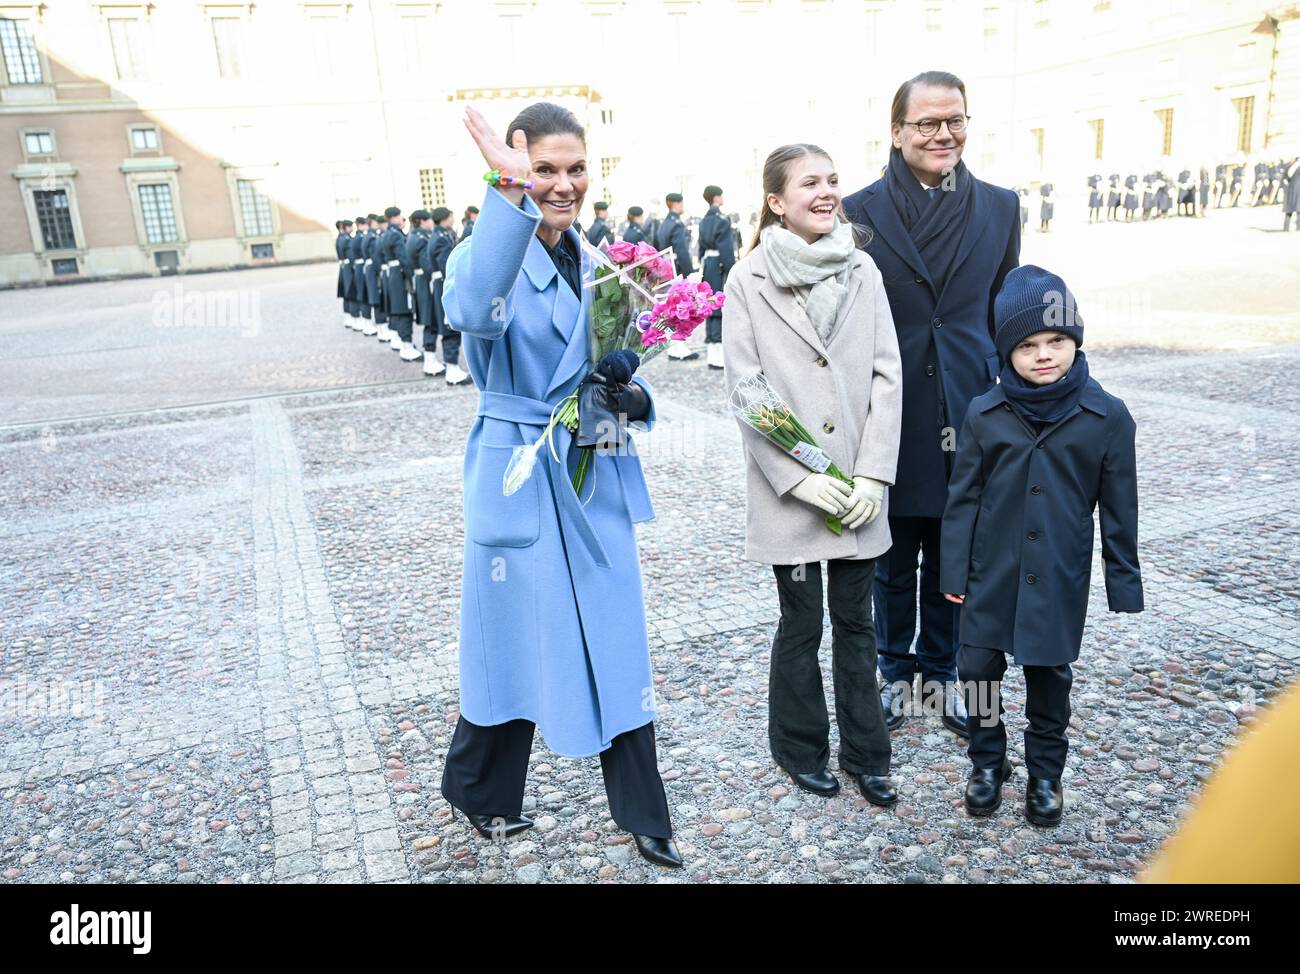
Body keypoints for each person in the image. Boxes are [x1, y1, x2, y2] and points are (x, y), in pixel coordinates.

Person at [438, 101, 681, 868]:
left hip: (591, 470)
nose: (563, 184)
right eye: (545, 169)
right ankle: (479, 792)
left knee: (615, 642)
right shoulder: (482, 250)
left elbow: (606, 374)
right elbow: (476, 309)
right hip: (518, 469)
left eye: (575, 168)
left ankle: (645, 813)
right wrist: (506, 194)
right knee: (513, 647)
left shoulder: (603, 262)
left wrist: (633, 404)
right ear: (516, 172)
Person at [841, 69, 1019, 739]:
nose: (944, 134)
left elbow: (1003, 306)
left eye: (956, 120)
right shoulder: (855, 211)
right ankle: (894, 671)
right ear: (896, 132)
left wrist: (1013, 390)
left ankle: (942, 674)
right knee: (891, 551)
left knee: (957, 550)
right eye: (927, 123)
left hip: (971, 405)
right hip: (888, 405)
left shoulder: (1002, 206)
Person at [722, 143, 902, 805]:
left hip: (856, 488)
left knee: (858, 624)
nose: (825, 192)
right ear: (776, 200)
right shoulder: (747, 279)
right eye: (809, 183)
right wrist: (798, 478)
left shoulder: (864, 269)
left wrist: (875, 475)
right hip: (794, 493)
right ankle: (799, 748)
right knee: (801, 624)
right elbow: (747, 389)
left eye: (831, 180)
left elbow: (888, 375)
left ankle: (867, 752)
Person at [940, 264, 1143, 825]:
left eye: (1057, 340)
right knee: (977, 669)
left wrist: (1122, 581)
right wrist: (954, 572)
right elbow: (963, 497)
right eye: (1027, 345)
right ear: (1007, 352)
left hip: (1057, 572)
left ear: (1075, 341)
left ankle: (1046, 771)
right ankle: (987, 761)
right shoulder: (984, 412)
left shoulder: (1107, 417)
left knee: (1049, 674)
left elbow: (1120, 507)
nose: (1044, 354)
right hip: (990, 571)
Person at [427, 206, 471, 385]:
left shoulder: (440, 235)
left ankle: (452, 367)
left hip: (439, 284)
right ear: (445, 218)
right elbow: (447, 266)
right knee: (450, 327)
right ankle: (452, 368)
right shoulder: (441, 238)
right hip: (444, 284)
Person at [697, 184, 735, 370]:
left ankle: (712, 353)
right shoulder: (722, 220)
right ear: (716, 198)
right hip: (719, 264)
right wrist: (732, 269)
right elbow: (726, 249)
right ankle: (717, 355)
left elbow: (700, 248)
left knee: (709, 306)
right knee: (718, 306)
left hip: (708, 264)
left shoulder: (703, 220)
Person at [658, 192, 697, 361]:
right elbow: (682, 251)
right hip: (677, 269)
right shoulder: (676, 224)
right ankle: (679, 348)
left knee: (670, 309)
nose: (683, 206)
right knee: (681, 309)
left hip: (666, 270)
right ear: (675, 204)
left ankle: (672, 348)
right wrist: (689, 274)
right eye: (681, 203)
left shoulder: (663, 223)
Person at [378, 206, 421, 361]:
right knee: (404, 310)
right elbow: (404, 258)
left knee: (397, 310)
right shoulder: (396, 235)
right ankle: (407, 346)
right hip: (400, 276)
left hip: (392, 275)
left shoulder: (386, 234)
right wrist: (411, 277)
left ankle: (405, 344)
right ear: (393, 218)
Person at [407, 209, 437, 371]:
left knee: (428, 319)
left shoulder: (413, 236)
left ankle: (430, 359)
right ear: (422, 221)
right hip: (426, 282)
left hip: (420, 281)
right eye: (429, 220)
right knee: (430, 319)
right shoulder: (422, 238)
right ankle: (430, 360)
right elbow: (427, 264)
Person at [362, 213, 389, 340]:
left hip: (370, 269)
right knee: (377, 299)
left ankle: (382, 329)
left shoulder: (370, 235)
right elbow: (376, 256)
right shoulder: (373, 237)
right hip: (374, 270)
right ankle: (382, 330)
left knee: (376, 298)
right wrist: (381, 271)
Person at [1283, 156, 1300, 231]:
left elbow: (1285, 178)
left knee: (1289, 208)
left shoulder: (1290, 166)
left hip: (1291, 188)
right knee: (1298, 209)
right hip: (1298, 189)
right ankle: (1298, 227)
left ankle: (1286, 227)